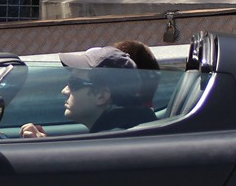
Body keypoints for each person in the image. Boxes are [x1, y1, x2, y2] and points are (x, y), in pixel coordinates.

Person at [17, 47, 156, 138]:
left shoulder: (112, 142)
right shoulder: (125, 133)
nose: (64, 91)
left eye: (74, 84)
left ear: (102, 96)